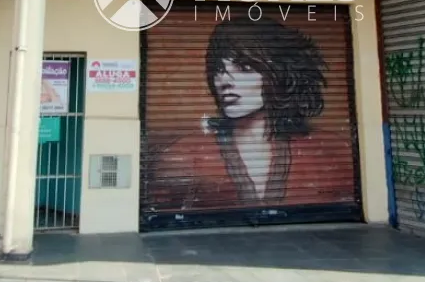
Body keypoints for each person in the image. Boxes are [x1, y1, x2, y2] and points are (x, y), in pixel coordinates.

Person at [147, 19, 356, 212]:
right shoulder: (184, 154)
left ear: (278, 73)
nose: (224, 81)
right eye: (218, 69)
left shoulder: (331, 151)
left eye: (245, 67)